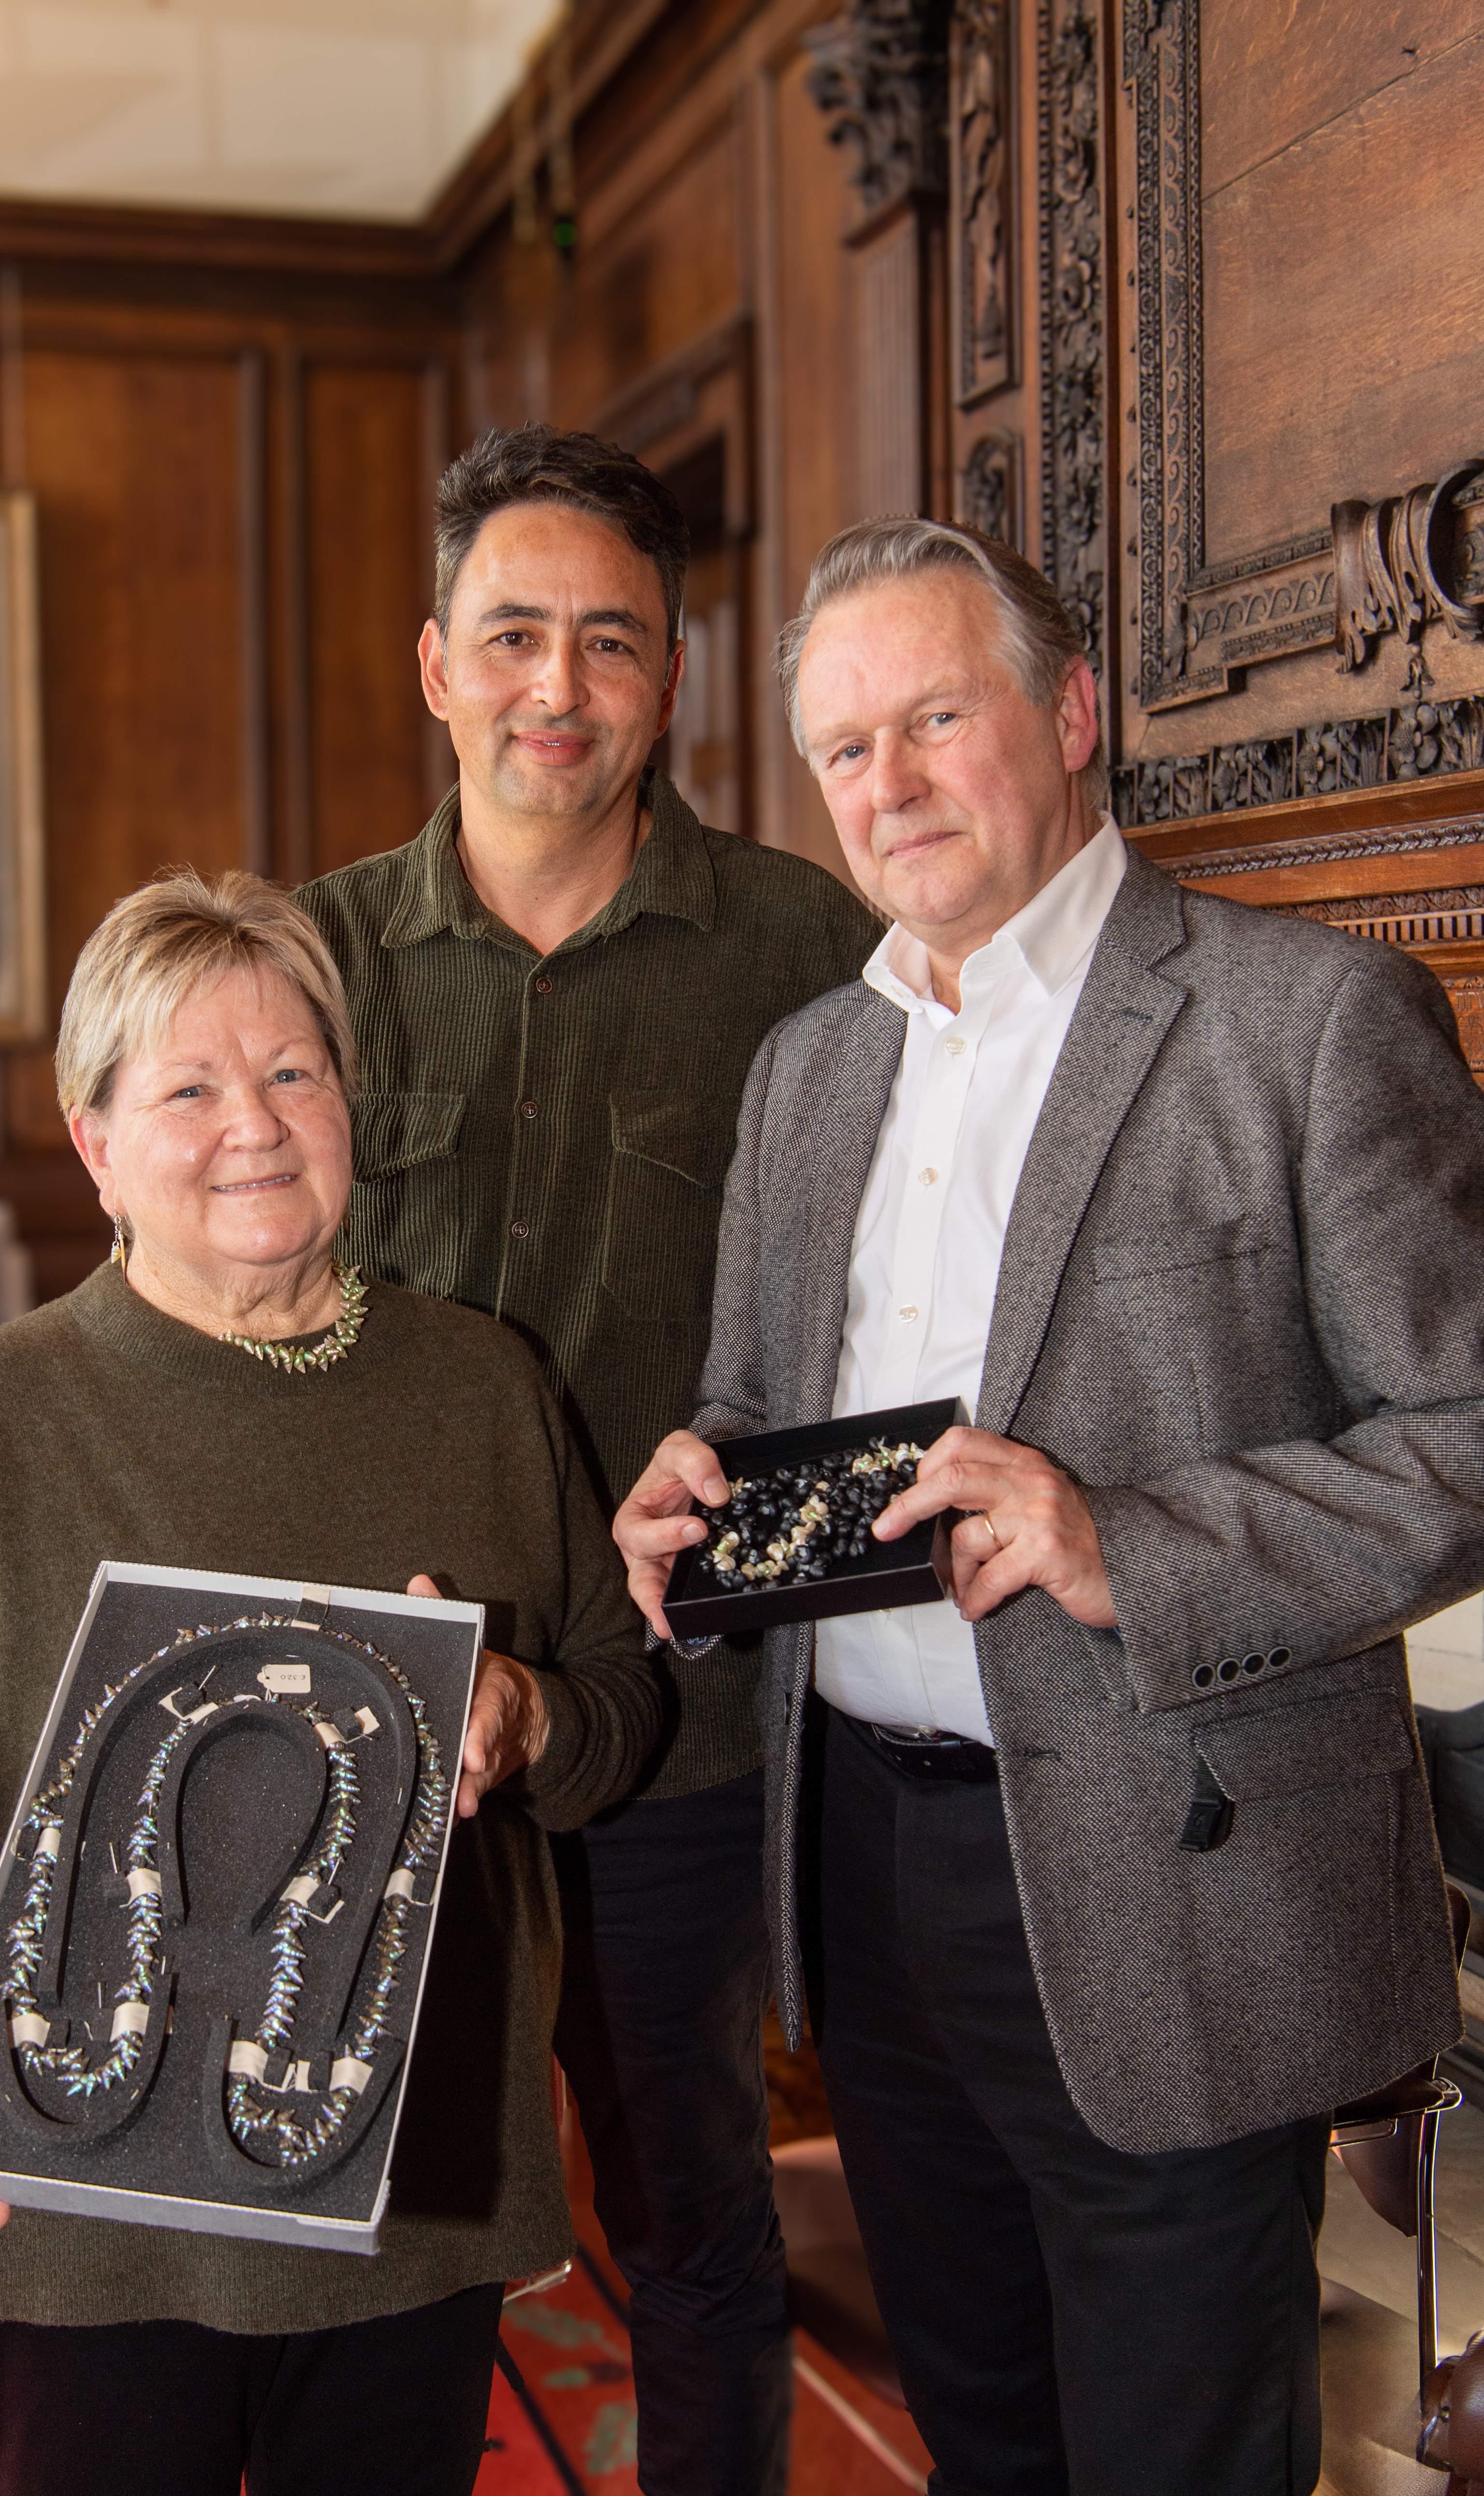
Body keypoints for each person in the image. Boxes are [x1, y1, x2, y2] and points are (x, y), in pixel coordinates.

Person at [614, 516, 1484, 2495]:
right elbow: (766, 1408)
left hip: (1178, 1880)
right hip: (867, 1880)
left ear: (1073, 708)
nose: (890, 782)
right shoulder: (805, 1071)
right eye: (845, 748)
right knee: (983, 2442)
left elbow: (1468, 1425)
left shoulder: (1305, 1021)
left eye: (937, 714)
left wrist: (1132, 1546)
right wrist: (697, 1482)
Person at [0, 868, 661, 2496]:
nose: (252, 1124)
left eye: (294, 1073)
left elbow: (616, 1712)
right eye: (185, 1087)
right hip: (71, 2192)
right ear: (95, 1140)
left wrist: (528, 1711)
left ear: (351, 1106)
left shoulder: (482, 1385)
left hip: (398, 2184)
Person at [299, 423, 879, 2496]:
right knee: (374, 2223)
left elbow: (909, 1333)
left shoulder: (811, 955)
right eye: (514, 634)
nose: (559, 684)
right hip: (381, 1711)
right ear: (435, 665)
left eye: (608, 641)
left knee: (692, 2213)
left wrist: (755, 1562)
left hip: (686, 1739)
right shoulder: (311, 964)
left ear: (674, 675)